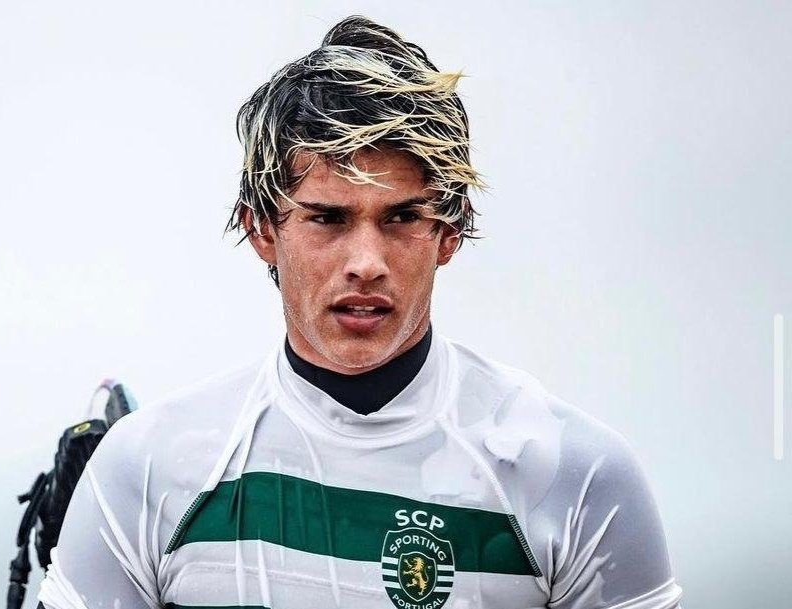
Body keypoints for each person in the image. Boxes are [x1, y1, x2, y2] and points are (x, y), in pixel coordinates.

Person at [36, 15, 683, 609]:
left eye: (401, 217)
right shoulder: (148, 467)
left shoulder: (577, 475)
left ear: (449, 231)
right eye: (327, 218)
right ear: (262, 228)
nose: (366, 262)